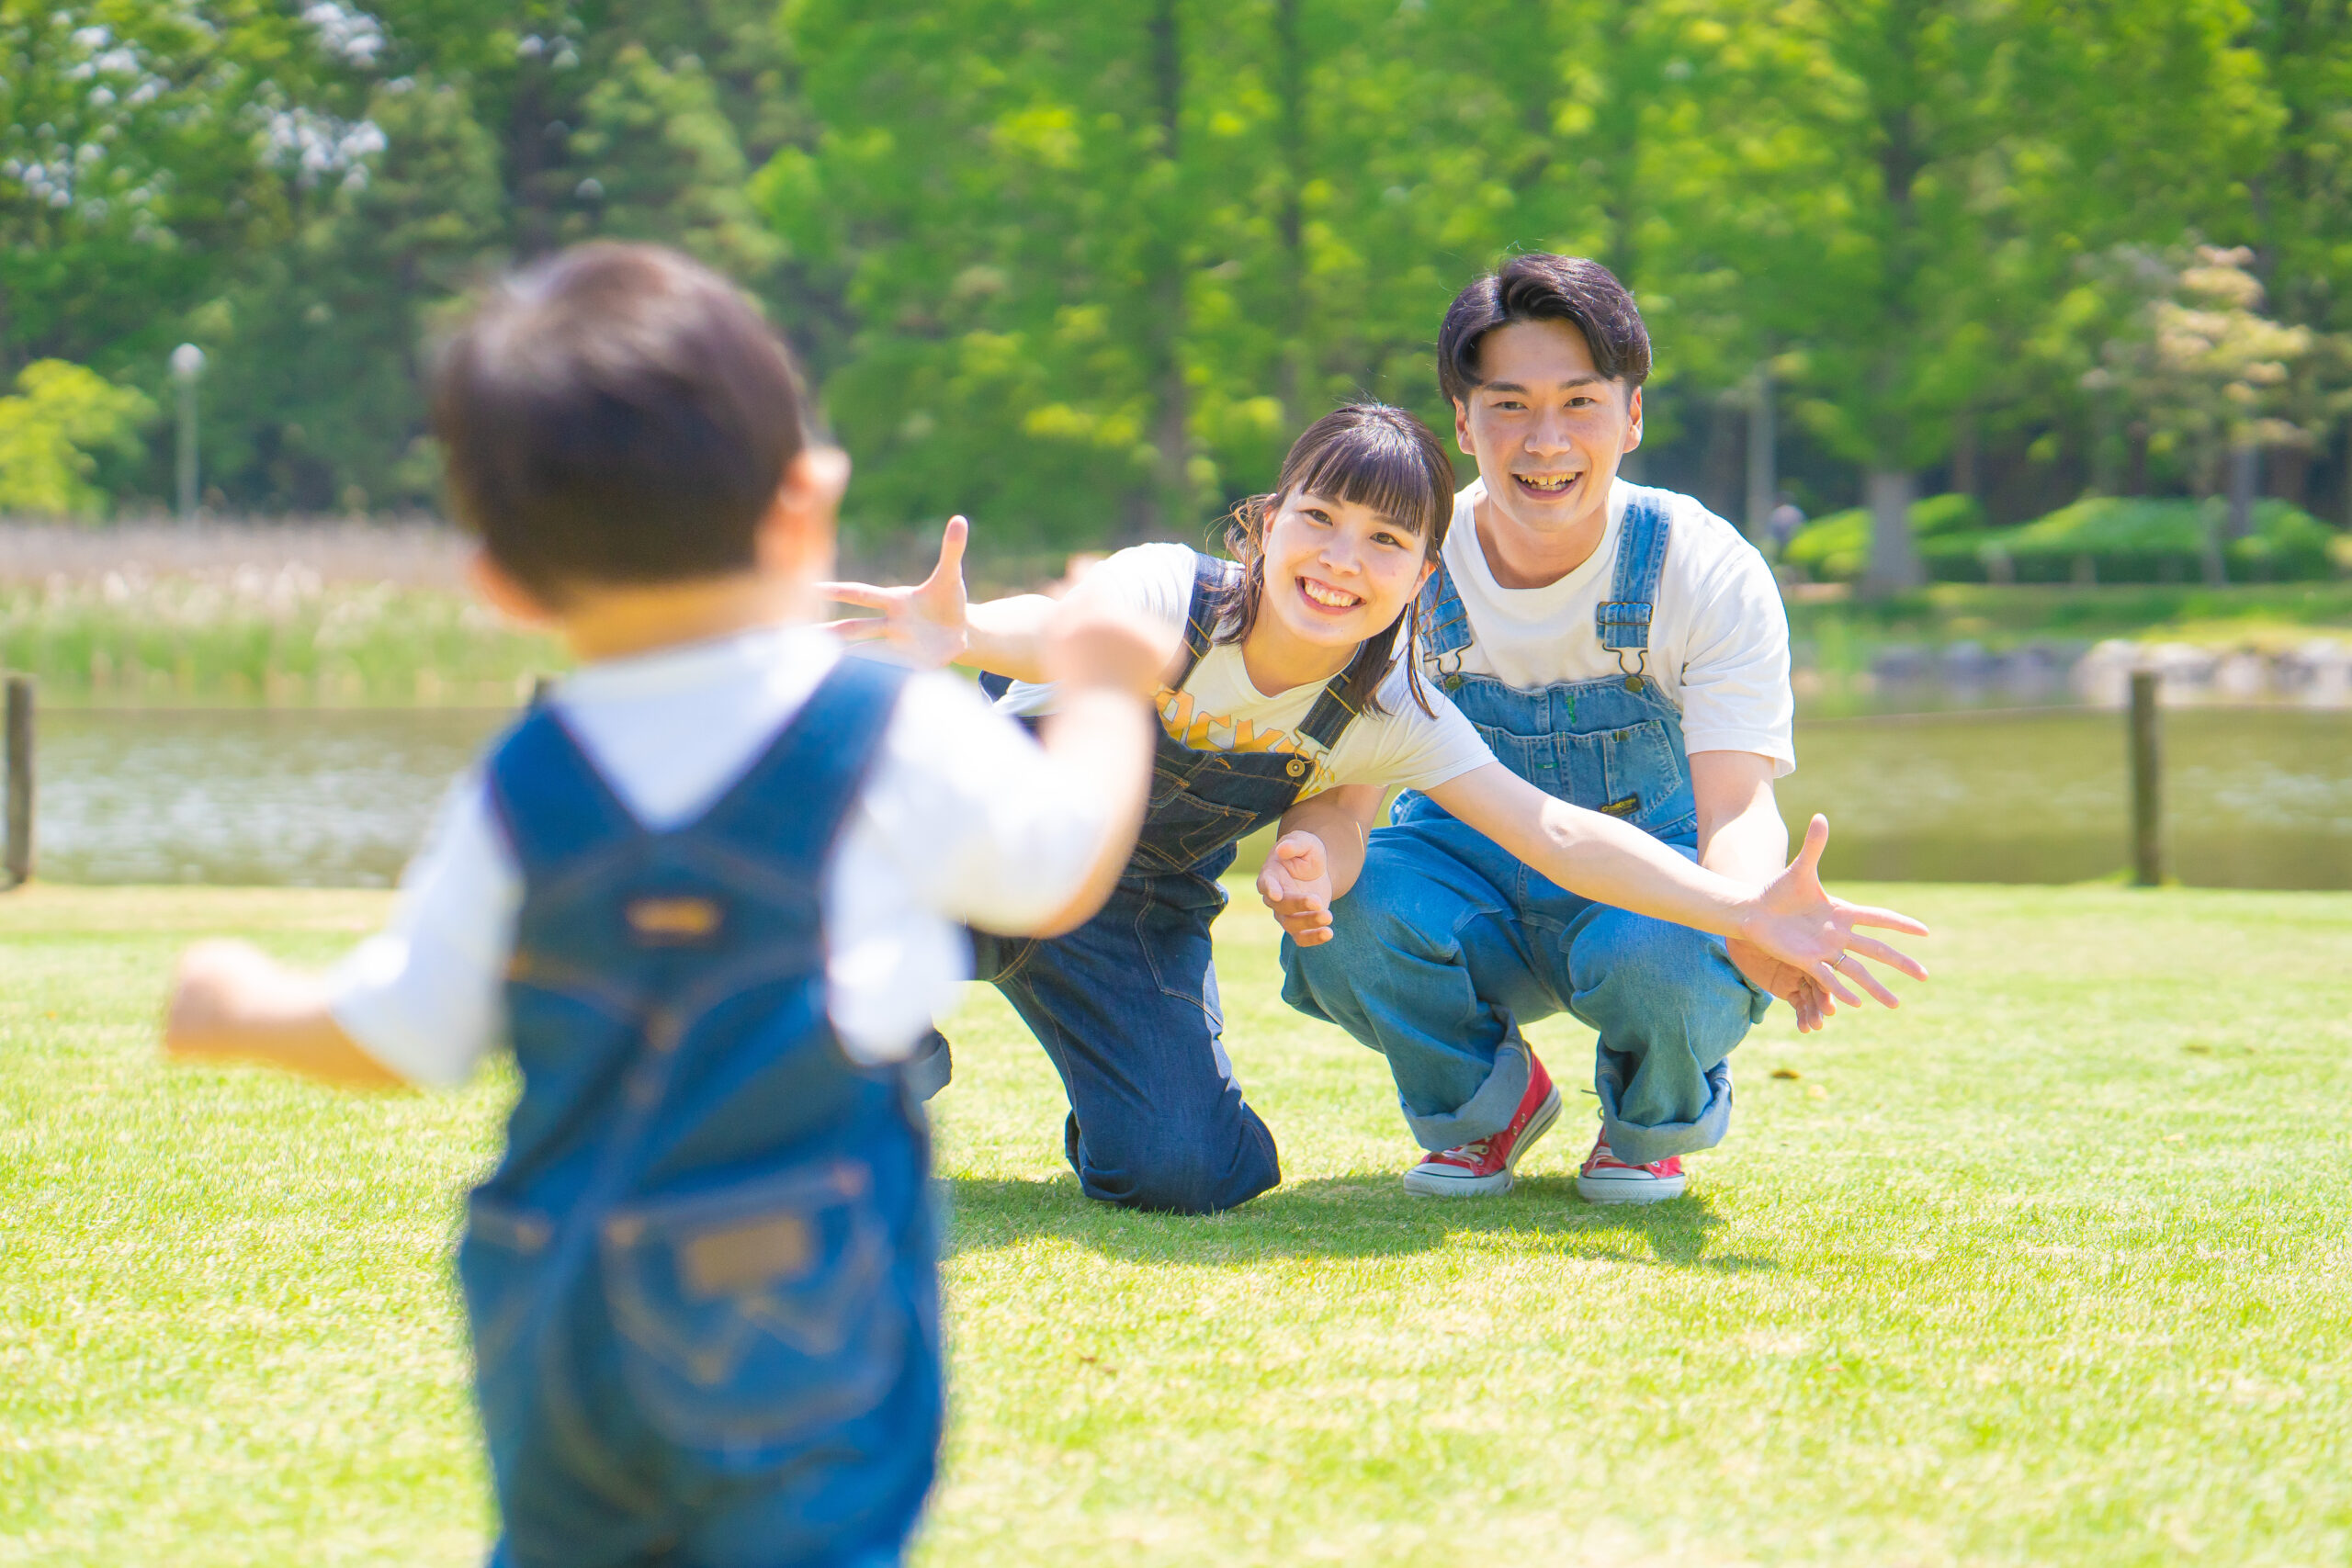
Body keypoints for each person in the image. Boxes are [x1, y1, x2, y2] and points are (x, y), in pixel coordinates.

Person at [160, 243, 1162, 1568]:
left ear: (504, 583)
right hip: (799, 1293)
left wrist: (250, 1007)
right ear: (802, 508)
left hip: (556, 1303)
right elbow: (1054, 865)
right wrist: (1100, 682)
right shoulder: (883, 731)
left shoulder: (524, 778)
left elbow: (408, 1027)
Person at [827, 404, 1926, 1216]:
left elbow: (1555, 833)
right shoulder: (1174, 595)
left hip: (1121, 913)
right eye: (1319, 518)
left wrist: (1742, 910)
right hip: (972, 852)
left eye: (1388, 542)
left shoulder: (1389, 711)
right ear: (1265, 524)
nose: (1342, 559)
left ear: (1421, 580)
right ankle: (850, 1049)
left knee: (1192, 1173)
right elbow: (1068, 631)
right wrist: (962, 634)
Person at [1267, 253, 1892, 1205]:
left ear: (1631, 416)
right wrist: (1307, 854)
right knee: (1352, 911)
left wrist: (1752, 911)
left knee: (1682, 950)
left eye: (1579, 403)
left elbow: (1734, 806)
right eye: (1508, 405)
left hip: (1651, 872)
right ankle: (1484, 1111)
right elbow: (1348, 805)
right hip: (1461, 869)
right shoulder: (1400, 566)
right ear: (1463, 424)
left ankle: (1649, 1126)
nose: (1543, 441)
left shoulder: (1704, 566)